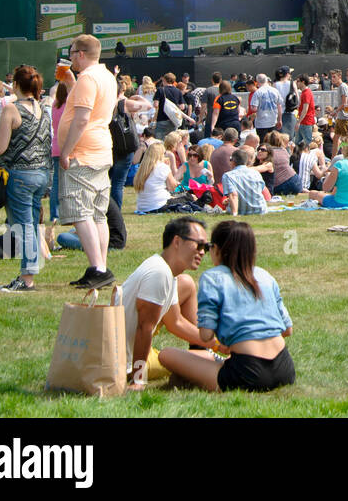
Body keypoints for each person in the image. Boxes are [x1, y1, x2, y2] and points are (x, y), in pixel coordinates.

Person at [158, 221, 295, 392]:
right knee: (202, 358)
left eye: (208, 247)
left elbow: (206, 334)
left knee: (166, 354)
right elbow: (287, 330)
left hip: (247, 373)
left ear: (217, 249)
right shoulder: (265, 276)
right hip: (285, 369)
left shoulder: (212, 278)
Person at [120, 217, 219, 390]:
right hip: (122, 361)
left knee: (189, 359)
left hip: (129, 353)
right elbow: (144, 328)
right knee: (180, 362)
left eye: (206, 247)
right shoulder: (160, 273)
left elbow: (176, 322)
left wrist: (216, 343)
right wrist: (138, 380)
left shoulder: (166, 271)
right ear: (177, 241)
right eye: (199, 245)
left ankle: (211, 355)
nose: (203, 252)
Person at [0, 65, 53, 292]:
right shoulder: (42, 109)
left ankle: (27, 277)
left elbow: (0, 148)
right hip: (41, 174)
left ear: (17, 85)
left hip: (19, 175)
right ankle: (30, 270)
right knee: (29, 223)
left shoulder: (11, 109)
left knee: (23, 227)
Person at [57, 34, 120, 289]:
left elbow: (82, 118)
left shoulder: (88, 78)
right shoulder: (106, 76)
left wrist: (66, 151)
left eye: (72, 52)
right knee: (97, 214)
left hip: (83, 152)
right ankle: (101, 266)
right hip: (102, 149)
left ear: (81, 54)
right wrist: (72, 84)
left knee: (80, 212)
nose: (70, 57)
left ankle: (97, 268)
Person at [223, 148, 271, 215]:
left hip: (241, 211)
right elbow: (259, 190)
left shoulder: (228, 176)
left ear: (233, 161)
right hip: (260, 209)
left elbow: (233, 195)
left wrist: (235, 214)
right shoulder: (256, 173)